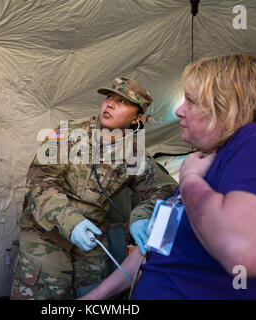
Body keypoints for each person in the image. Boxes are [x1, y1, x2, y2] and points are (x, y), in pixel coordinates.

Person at [80, 53, 256, 300]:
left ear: (227, 107)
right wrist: (95, 298)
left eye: (190, 101)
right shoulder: (211, 161)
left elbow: (246, 251)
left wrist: (190, 180)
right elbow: (154, 248)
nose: (180, 111)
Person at [11, 77, 178, 300]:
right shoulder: (67, 132)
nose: (109, 104)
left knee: (95, 295)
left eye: (122, 101)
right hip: (46, 231)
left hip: (92, 237)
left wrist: (141, 216)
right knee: (47, 293)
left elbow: (166, 190)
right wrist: (71, 221)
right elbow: (40, 182)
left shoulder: (134, 155)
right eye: (109, 97)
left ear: (137, 117)